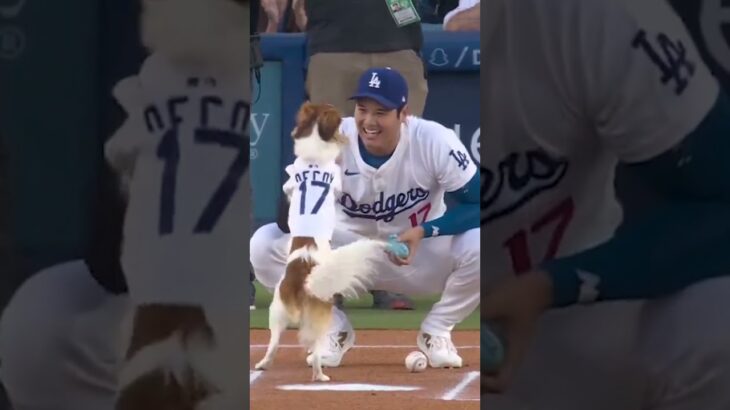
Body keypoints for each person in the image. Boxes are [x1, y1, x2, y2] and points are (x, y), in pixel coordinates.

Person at [480, 0, 730, 409]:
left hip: (567, 311)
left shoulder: (596, 14)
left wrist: (553, 284)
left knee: (717, 320)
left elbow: (722, 200)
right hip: (443, 327)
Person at [251, 67, 480, 368]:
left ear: (403, 114)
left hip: (418, 254)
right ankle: (333, 329)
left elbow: (479, 202)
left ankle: (438, 329)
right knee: (264, 243)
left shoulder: (434, 141)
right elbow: (287, 220)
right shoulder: (331, 138)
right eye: (362, 109)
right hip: (346, 255)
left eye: (381, 112)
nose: (369, 121)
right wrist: (308, 176)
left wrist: (426, 230)